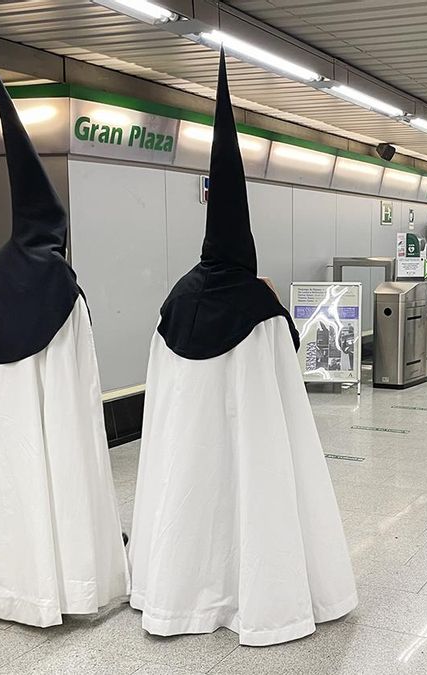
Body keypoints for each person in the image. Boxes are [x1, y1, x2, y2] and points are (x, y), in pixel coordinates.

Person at [128, 50, 357, 647]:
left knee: (191, 495)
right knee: (250, 494)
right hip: (248, 442)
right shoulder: (259, 307)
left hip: (185, 446)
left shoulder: (177, 298)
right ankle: (258, 599)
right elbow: (282, 399)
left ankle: (176, 595)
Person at [0, 53, 130, 628]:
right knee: (53, 480)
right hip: (51, 412)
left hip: (0, 413)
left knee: (5, 483)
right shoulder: (58, 279)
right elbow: (78, 368)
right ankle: (60, 584)